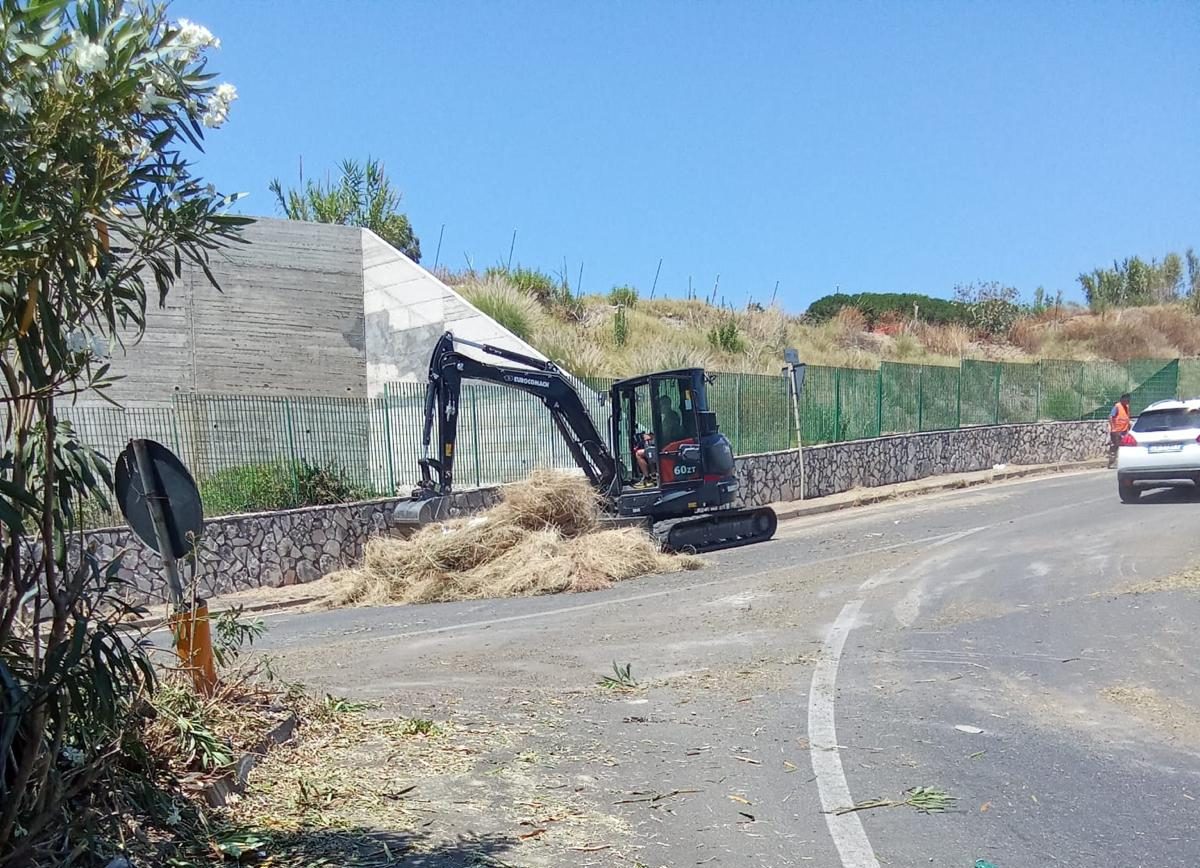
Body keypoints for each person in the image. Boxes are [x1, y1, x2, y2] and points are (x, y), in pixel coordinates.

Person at [1108, 392, 1131, 468]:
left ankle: (1122, 462)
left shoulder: (1127, 407)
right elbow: (1111, 417)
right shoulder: (1117, 406)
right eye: (1126, 398)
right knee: (1115, 447)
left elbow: (1127, 418)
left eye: (1128, 398)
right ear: (1122, 399)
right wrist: (1113, 428)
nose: (1128, 400)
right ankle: (1111, 463)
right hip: (1117, 431)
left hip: (1124, 431)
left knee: (1124, 447)